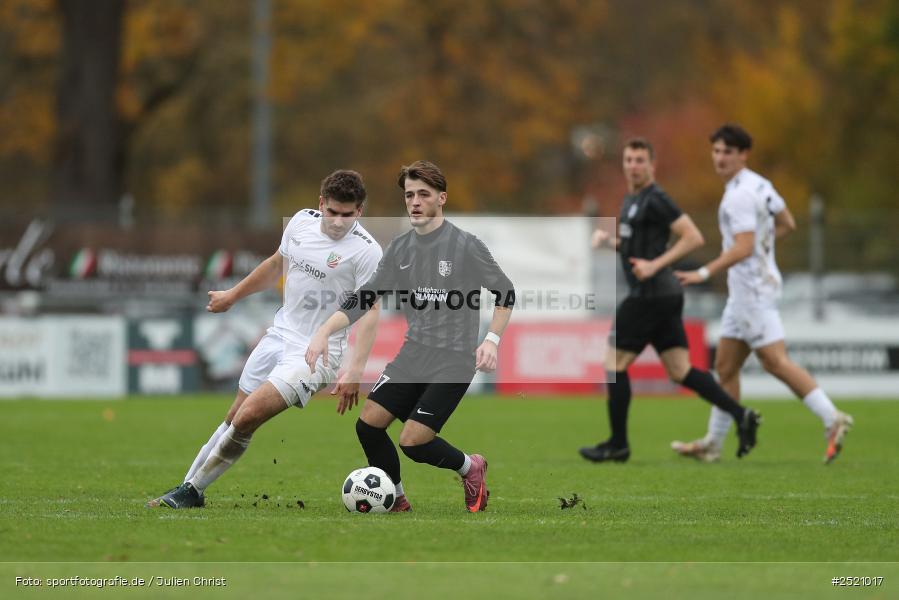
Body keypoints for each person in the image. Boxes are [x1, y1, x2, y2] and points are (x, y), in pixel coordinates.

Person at [146, 170, 383, 508]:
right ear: (320, 204)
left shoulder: (367, 252)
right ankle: (187, 487)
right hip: (278, 335)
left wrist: (356, 370)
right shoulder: (301, 222)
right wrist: (232, 295)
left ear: (360, 211)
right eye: (332, 212)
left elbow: (370, 310)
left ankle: (192, 491)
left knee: (248, 416)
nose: (338, 222)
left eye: (348, 215)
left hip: (318, 354)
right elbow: (275, 266)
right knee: (234, 415)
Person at [305, 160, 515, 513]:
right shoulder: (401, 249)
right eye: (408, 195)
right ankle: (396, 498)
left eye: (423, 194)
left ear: (441, 198)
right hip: (413, 354)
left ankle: (471, 467)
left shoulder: (466, 246)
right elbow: (366, 296)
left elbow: (505, 292)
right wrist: (325, 330)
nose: (414, 201)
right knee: (368, 426)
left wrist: (491, 340)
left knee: (413, 442)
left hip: (453, 359)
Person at [672, 124, 853, 463]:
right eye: (716, 151)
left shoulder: (739, 194)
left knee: (775, 361)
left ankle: (832, 418)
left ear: (743, 154)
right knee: (725, 367)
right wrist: (762, 249)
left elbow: (742, 247)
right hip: (750, 287)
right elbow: (787, 223)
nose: (720, 158)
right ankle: (713, 443)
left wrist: (703, 271)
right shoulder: (759, 184)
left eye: (727, 151)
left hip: (751, 290)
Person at [578, 138, 761, 463]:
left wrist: (655, 266)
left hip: (649, 295)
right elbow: (640, 247)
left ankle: (618, 444)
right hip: (665, 296)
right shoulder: (632, 199)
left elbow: (693, 236)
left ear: (652, 165)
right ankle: (741, 414)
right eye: (629, 159)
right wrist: (612, 243)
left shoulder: (656, 198)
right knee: (680, 370)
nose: (633, 165)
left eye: (639, 160)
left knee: (613, 365)